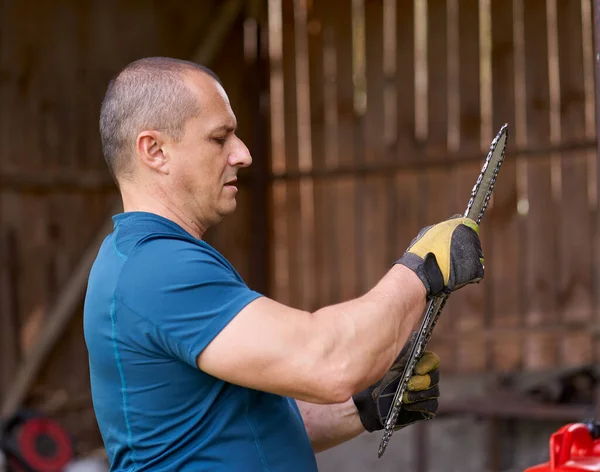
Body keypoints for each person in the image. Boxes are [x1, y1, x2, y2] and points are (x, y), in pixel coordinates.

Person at [83, 57, 485, 471]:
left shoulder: (152, 260)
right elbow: (328, 361)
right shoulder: (157, 269)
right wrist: (421, 269)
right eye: (220, 138)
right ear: (155, 151)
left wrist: (364, 408)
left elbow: (233, 423)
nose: (242, 154)